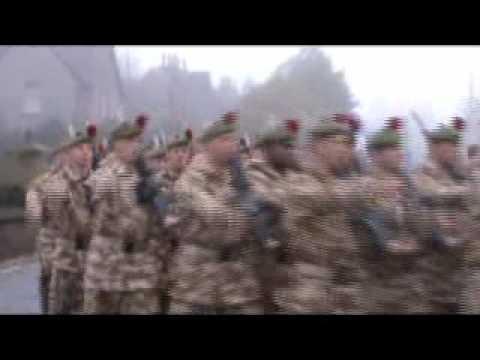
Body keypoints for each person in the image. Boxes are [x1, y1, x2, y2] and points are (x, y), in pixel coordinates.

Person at [168, 112, 264, 314]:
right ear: (208, 145)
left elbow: (260, 214)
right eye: (224, 140)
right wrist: (242, 209)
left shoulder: (240, 176)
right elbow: (216, 216)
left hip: (236, 283)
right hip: (197, 282)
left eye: (233, 140)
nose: (232, 145)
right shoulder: (190, 179)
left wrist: (250, 208)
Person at [275, 113, 370, 314]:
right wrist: (370, 186)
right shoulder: (298, 181)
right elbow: (326, 197)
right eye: (341, 143)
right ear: (319, 146)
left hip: (343, 286)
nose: (348, 151)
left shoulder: (340, 181)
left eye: (350, 145)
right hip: (310, 290)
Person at [83, 115, 165, 314]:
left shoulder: (145, 176)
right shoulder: (104, 176)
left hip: (141, 270)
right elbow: (98, 221)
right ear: (116, 145)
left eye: (138, 142)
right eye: (129, 142)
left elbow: (159, 224)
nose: (135, 146)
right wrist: (137, 213)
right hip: (108, 272)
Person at [360, 117, 432, 313]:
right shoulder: (364, 186)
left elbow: (420, 221)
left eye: (401, 148)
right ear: (375, 155)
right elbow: (370, 229)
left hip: (413, 278)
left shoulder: (409, 183)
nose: (401, 154)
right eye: (394, 149)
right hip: (380, 281)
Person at [28, 124, 97, 314]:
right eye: (79, 148)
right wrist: (48, 259)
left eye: (89, 148)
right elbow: (37, 219)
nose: (85, 153)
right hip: (63, 265)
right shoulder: (51, 184)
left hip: (96, 267)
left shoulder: (101, 184)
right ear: (66, 154)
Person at [413, 117, 472, 313]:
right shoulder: (423, 172)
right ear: (434, 149)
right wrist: (467, 190)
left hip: (458, 263)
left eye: (453, 147)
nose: (451, 152)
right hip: (433, 263)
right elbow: (432, 193)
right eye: (445, 147)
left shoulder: (456, 173)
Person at [245, 119, 302, 313]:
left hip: (291, 265)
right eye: (286, 146)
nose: (291, 151)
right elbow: (272, 200)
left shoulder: (293, 175)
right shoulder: (254, 174)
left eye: (293, 146)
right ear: (269, 149)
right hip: (263, 265)